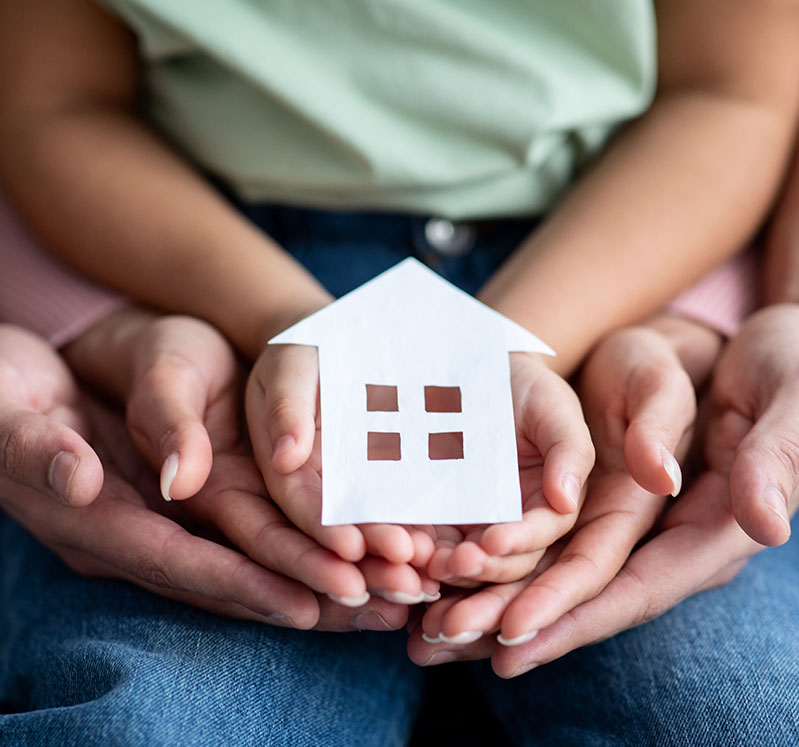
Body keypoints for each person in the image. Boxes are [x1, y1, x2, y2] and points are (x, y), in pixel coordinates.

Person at [2, 0, 798, 588]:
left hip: (615, 258)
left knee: (731, 705)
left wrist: (507, 340)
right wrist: (284, 322)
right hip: (205, 262)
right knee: (155, 717)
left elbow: (731, 93)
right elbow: (58, 105)